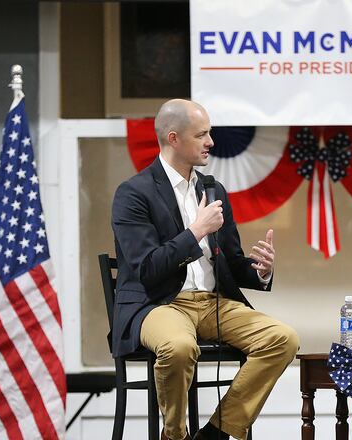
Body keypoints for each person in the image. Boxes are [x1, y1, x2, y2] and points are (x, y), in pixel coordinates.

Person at [111, 99, 299, 440]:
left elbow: (231, 261)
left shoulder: (212, 190)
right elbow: (147, 268)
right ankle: (175, 435)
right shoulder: (133, 193)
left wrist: (260, 270)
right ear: (173, 138)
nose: (211, 142)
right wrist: (196, 231)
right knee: (179, 347)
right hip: (158, 303)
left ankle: (216, 432)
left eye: (209, 133)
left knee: (282, 339)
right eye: (201, 135)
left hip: (213, 303)